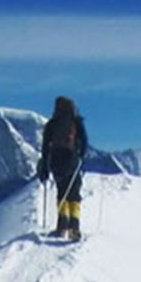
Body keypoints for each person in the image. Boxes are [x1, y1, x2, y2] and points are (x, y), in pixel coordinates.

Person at [36, 95, 89, 241]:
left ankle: (62, 226)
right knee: (74, 194)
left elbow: (45, 146)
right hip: (72, 159)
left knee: (62, 193)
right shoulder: (76, 122)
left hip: (56, 161)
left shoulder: (52, 124)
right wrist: (81, 157)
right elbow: (84, 141)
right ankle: (74, 226)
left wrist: (45, 165)